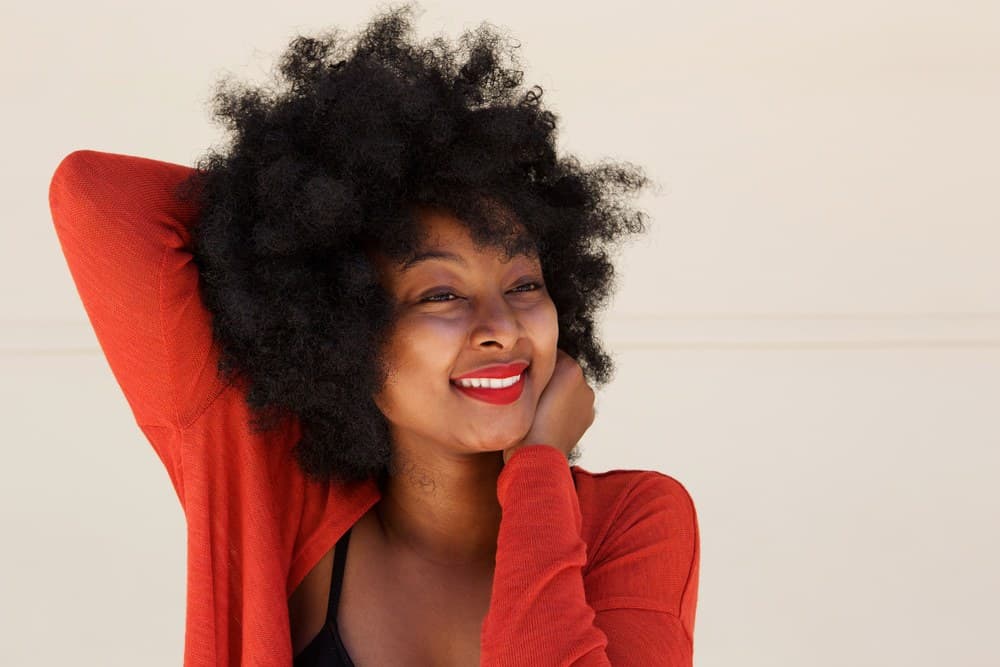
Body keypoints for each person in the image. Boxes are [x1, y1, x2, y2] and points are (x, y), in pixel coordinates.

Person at [47, 4, 699, 665]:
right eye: (440, 293)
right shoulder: (278, 497)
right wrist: (304, 222)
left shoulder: (636, 520)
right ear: (344, 326)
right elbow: (93, 198)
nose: (501, 328)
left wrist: (539, 469)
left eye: (524, 284)